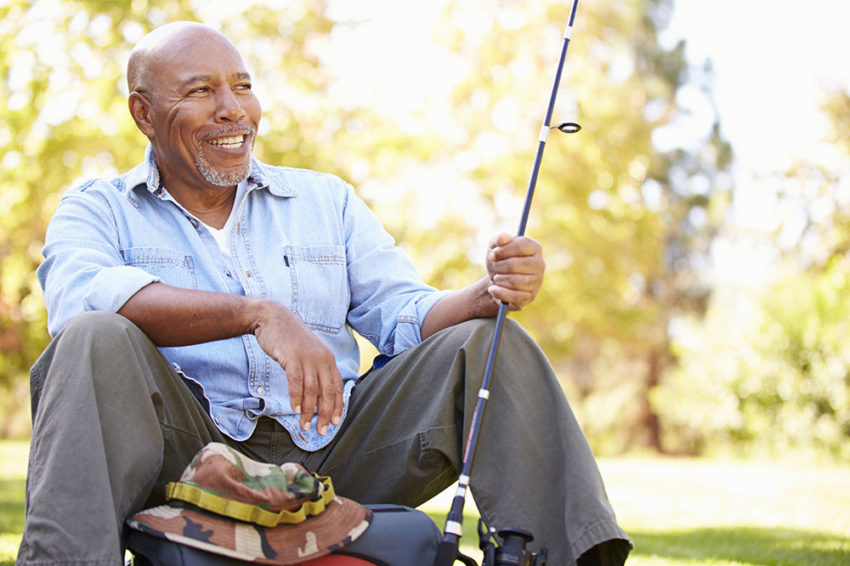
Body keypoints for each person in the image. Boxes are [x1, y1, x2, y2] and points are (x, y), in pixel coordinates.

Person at [17, 21, 631, 566]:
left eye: (243, 85)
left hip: (335, 451)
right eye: (201, 90)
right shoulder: (96, 208)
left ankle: (569, 557)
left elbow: (402, 313)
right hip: (187, 456)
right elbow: (84, 302)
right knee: (94, 335)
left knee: (485, 340)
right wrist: (257, 316)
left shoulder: (326, 200)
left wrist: (481, 294)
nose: (233, 109)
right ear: (143, 114)